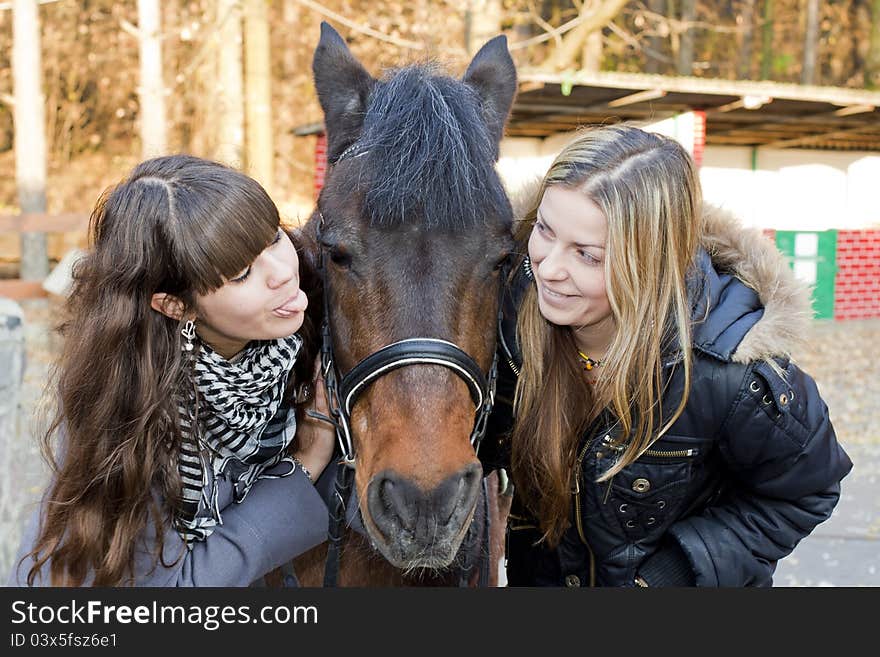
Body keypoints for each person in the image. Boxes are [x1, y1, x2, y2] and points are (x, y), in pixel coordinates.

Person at [482, 124, 853, 587]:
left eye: (588, 255)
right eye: (544, 230)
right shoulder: (509, 322)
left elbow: (808, 491)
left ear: (651, 262)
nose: (549, 267)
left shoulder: (729, 374)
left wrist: (677, 569)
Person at [9, 154, 334, 586]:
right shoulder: (131, 408)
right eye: (241, 274)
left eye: (273, 238)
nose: (281, 273)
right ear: (176, 305)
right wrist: (304, 465)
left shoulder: (326, 311)